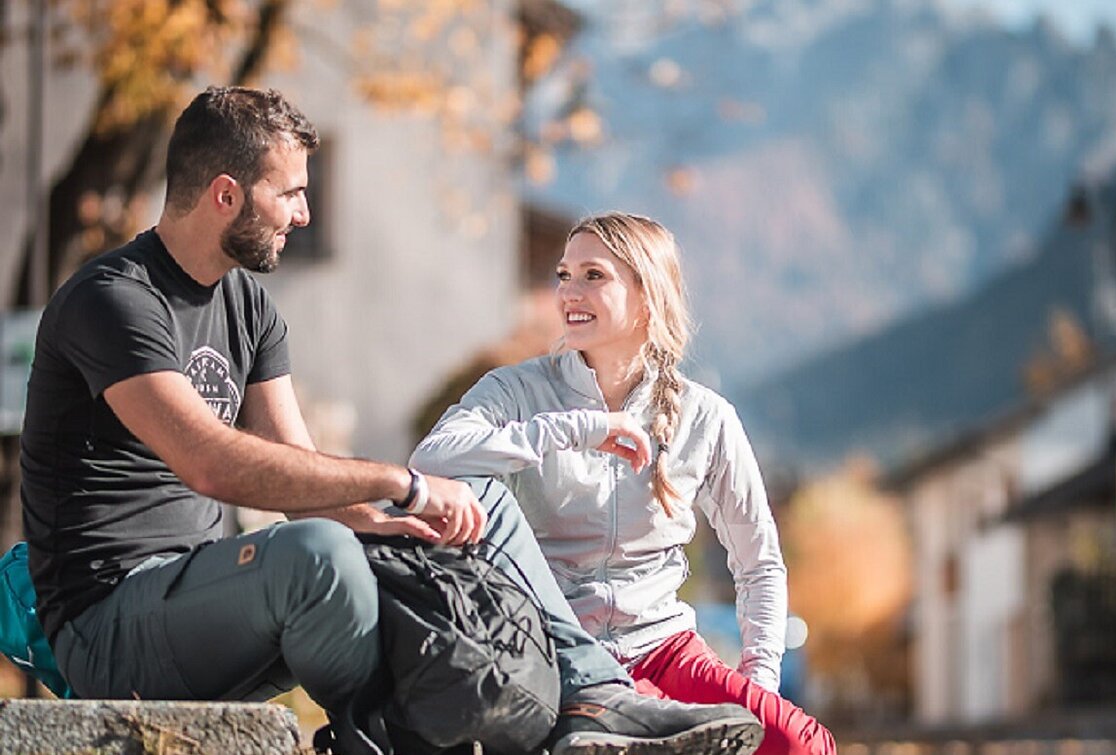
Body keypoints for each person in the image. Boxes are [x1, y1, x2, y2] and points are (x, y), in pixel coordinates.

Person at [19, 87, 765, 755]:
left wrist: (417, 515)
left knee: (479, 510)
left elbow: (297, 474)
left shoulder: (248, 308)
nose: (305, 213)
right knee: (317, 555)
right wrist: (396, 483)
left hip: (212, 598)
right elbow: (208, 461)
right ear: (225, 195)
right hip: (111, 622)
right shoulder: (113, 300)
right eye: (291, 194)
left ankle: (592, 697)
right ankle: (414, 737)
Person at [412, 212, 837, 755]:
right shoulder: (515, 390)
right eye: (564, 275)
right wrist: (574, 430)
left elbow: (759, 563)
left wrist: (757, 682)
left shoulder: (705, 417)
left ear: (647, 295)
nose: (569, 291)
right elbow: (432, 458)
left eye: (594, 275)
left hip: (666, 647)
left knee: (799, 744)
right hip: (554, 651)